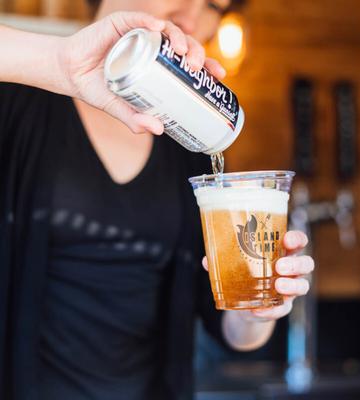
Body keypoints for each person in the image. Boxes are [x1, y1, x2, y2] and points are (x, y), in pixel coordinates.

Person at [0, 1, 315, 399]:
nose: (192, 13)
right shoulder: (19, 104)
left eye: (214, 5)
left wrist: (260, 306)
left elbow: (234, 330)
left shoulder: (194, 141)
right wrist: (60, 62)